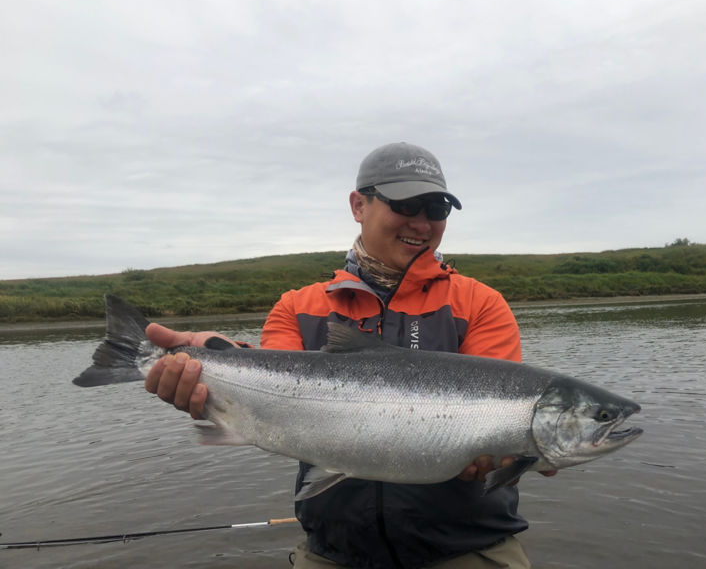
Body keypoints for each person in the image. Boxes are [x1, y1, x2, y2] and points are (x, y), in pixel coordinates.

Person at [144, 142, 556, 569]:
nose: (421, 222)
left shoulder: (480, 305)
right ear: (359, 205)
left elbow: (503, 426)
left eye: (436, 209)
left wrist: (522, 451)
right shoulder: (298, 306)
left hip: (469, 549)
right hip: (334, 552)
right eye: (406, 203)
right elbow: (276, 380)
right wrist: (213, 363)